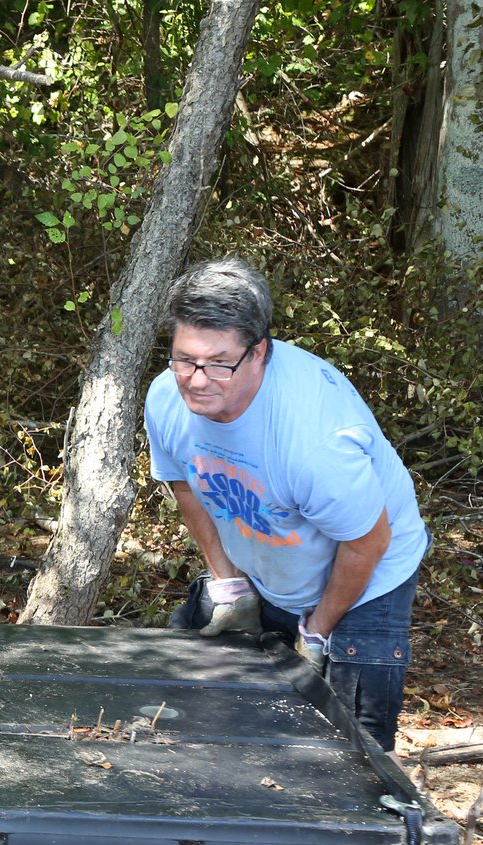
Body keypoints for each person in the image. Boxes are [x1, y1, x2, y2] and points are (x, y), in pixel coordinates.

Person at [148, 257, 427, 751]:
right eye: (184, 359)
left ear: (260, 353)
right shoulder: (168, 401)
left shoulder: (314, 441)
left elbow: (369, 542)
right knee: (224, 725)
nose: (196, 379)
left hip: (367, 580)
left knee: (347, 757)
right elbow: (187, 485)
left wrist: (316, 633)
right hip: (273, 561)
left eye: (218, 363)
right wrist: (229, 582)